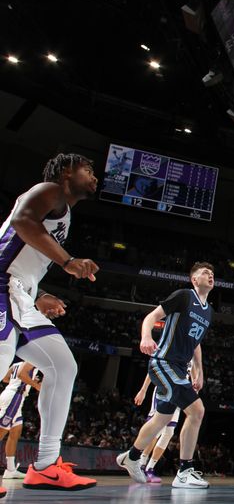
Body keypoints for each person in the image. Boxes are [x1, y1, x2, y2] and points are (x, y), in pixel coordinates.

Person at [0, 153, 99, 492]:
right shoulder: (49, 190)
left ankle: (44, 465)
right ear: (67, 171)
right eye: (89, 170)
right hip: (1, 283)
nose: (95, 176)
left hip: (20, 293)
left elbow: (25, 257)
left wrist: (37, 295)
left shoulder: (64, 213)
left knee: (62, 367)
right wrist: (68, 261)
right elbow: (21, 221)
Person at [117, 262, 214, 489]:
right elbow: (152, 316)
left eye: (212, 274)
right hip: (163, 362)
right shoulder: (183, 296)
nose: (210, 276)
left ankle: (132, 457)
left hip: (181, 368)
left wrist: (199, 370)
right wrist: (146, 337)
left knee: (161, 420)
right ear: (194, 279)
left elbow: (195, 343)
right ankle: (184, 471)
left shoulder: (208, 310)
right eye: (205, 273)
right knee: (197, 411)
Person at [133, 365, 188, 483]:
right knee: (157, 428)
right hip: (164, 388)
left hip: (179, 391)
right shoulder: (173, 348)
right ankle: (141, 464)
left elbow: (193, 371)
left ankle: (150, 468)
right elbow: (153, 366)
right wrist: (143, 390)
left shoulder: (193, 351)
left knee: (169, 432)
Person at [0, 361, 40, 479]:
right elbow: (22, 375)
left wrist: (29, 381)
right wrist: (36, 385)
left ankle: (10, 469)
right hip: (14, 397)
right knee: (1, 431)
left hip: (11, 395)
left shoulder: (16, 364)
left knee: (15, 432)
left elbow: (6, 379)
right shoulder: (32, 361)